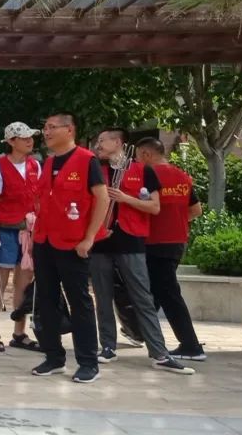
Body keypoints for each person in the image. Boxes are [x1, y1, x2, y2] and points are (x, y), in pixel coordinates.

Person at [89, 128, 193, 375]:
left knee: (142, 297)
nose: (98, 145)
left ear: (117, 142)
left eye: (102, 141)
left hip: (131, 240)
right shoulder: (96, 169)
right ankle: (108, 346)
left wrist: (125, 198)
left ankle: (159, 352)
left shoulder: (142, 170)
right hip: (100, 240)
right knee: (103, 297)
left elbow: (154, 207)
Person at [30, 112, 107, 384]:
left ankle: (88, 362)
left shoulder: (86, 160)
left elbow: (102, 199)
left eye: (52, 127)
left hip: (73, 244)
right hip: (44, 241)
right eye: (45, 127)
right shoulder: (49, 162)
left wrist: (89, 238)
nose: (47, 132)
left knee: (79, 302)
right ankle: (54, 357)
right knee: (47, 301)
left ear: (70, 130)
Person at [135, 137, 206, 361]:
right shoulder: (182, 176)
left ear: (146, 154)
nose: (137, 161)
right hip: (177, 242)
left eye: (137, 156)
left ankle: (191, 346)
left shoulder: (147, 176)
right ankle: (140, 331)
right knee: (159, 289)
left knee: (168, 293)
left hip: (155, 242)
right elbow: (196, 210)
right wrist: (177, 221)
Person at [0, 122, 42, 353]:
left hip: (29, 230)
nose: (29, 141)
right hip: (5, 229)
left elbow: (39, 198)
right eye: (24, 138)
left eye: (30, 137)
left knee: (24, 282)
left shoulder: (35, 165)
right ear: (11, 141)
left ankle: (19, 332)